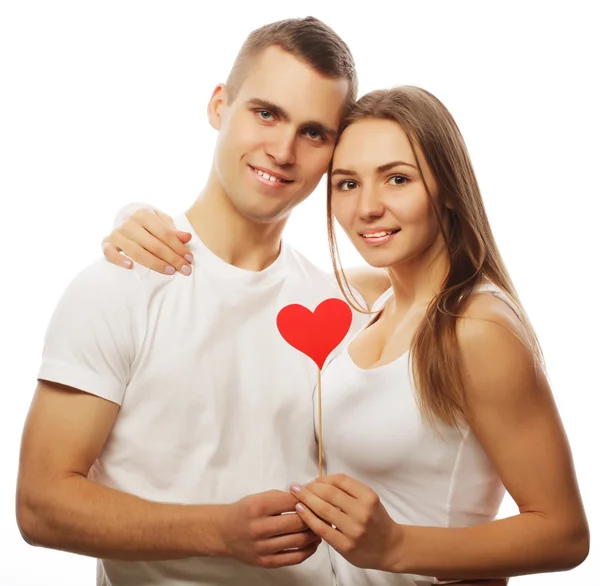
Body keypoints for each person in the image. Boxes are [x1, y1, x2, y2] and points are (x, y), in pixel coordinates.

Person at [103, 87, 589, 585]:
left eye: (397, 179)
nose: (367, 208)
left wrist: (397, 546)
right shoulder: (374, 297)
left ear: (445, 185)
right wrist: (139, 220)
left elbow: (563, 534)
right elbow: (247, 282)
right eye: (347, 183)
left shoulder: (476, 329)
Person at [16, 16, 392, 586]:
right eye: (266, 113)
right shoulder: (120, 284)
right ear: (220, 105)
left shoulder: (343, 309)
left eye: (314, 132)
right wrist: (218, 532)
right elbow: (40, 505)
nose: (284, 150)